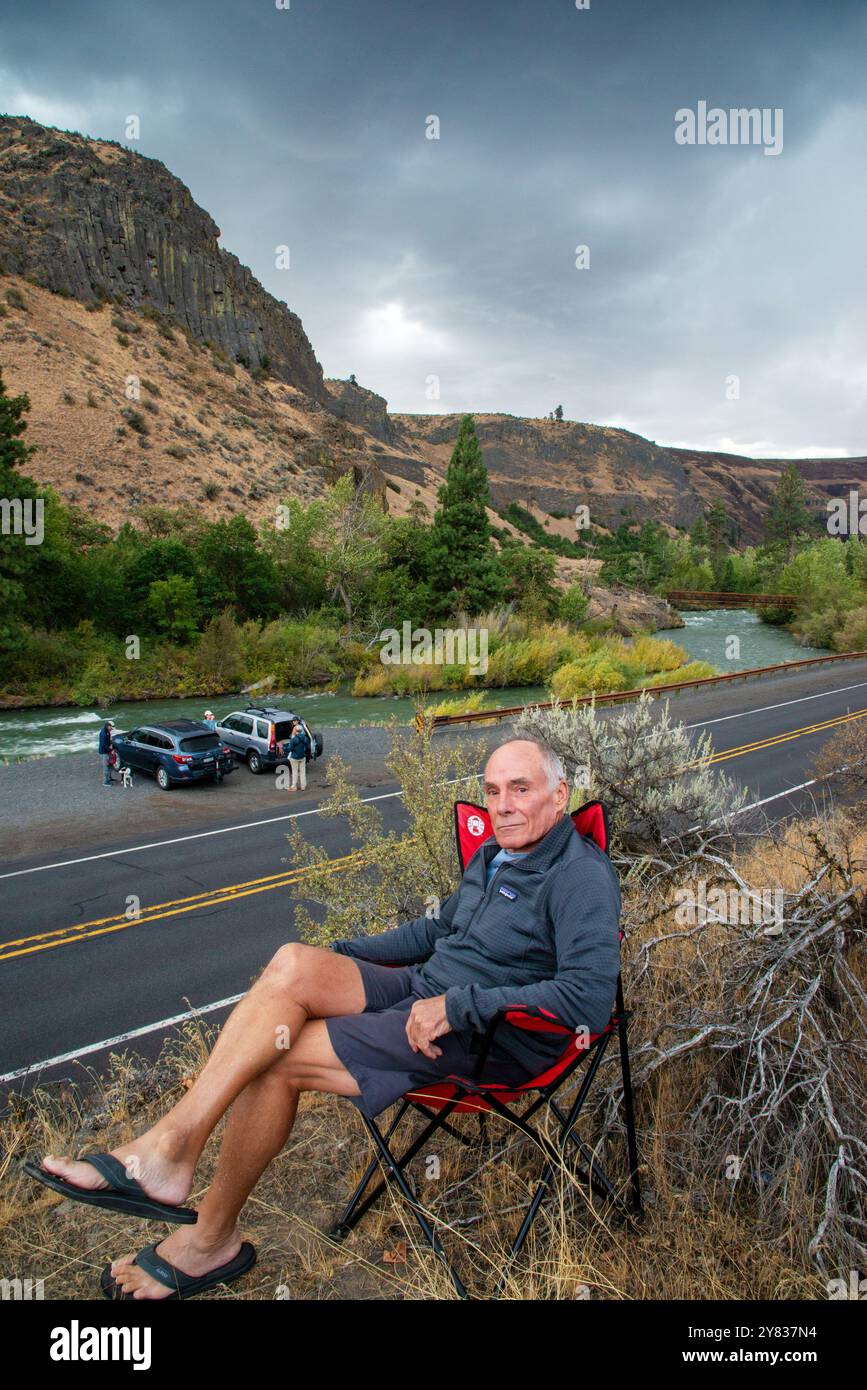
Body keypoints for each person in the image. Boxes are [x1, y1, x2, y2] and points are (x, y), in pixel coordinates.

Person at [26, 737, 621, 1300]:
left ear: (559, 794)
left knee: (277, 1058)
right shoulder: (494, 854)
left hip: (487, 1037)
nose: (502, 805)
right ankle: (170, 1150)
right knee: (291, 965)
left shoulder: (579, 875)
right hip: (427, 989)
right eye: (492, 791)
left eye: (519, 788)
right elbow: (441, 931)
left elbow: (590, 999)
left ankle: (209, 1240)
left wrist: (461, 1006)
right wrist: (343, 953)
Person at [285, 719, 308, 791]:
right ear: (301, 730)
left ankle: (294, 787)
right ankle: (303, 786)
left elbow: (289, 749)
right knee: (302, 772)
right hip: (302, 757)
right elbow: (307, 746)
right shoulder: (305, 738)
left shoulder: (293, 739)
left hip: (294, 757)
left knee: (295, 772)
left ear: (296, 731)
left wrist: (283, 748)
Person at [98, 719, 115, 786]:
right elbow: (103, 745)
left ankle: (109, 778)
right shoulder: (103, 733)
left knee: (110, 765)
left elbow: (108, 741)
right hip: (104, 752)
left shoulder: (107, 731)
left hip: (107, 751)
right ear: (108, 726)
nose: (112, 729)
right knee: (106, 767)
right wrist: (110, 750)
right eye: (111, 727)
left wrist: (111, 743)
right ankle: (105, 782)